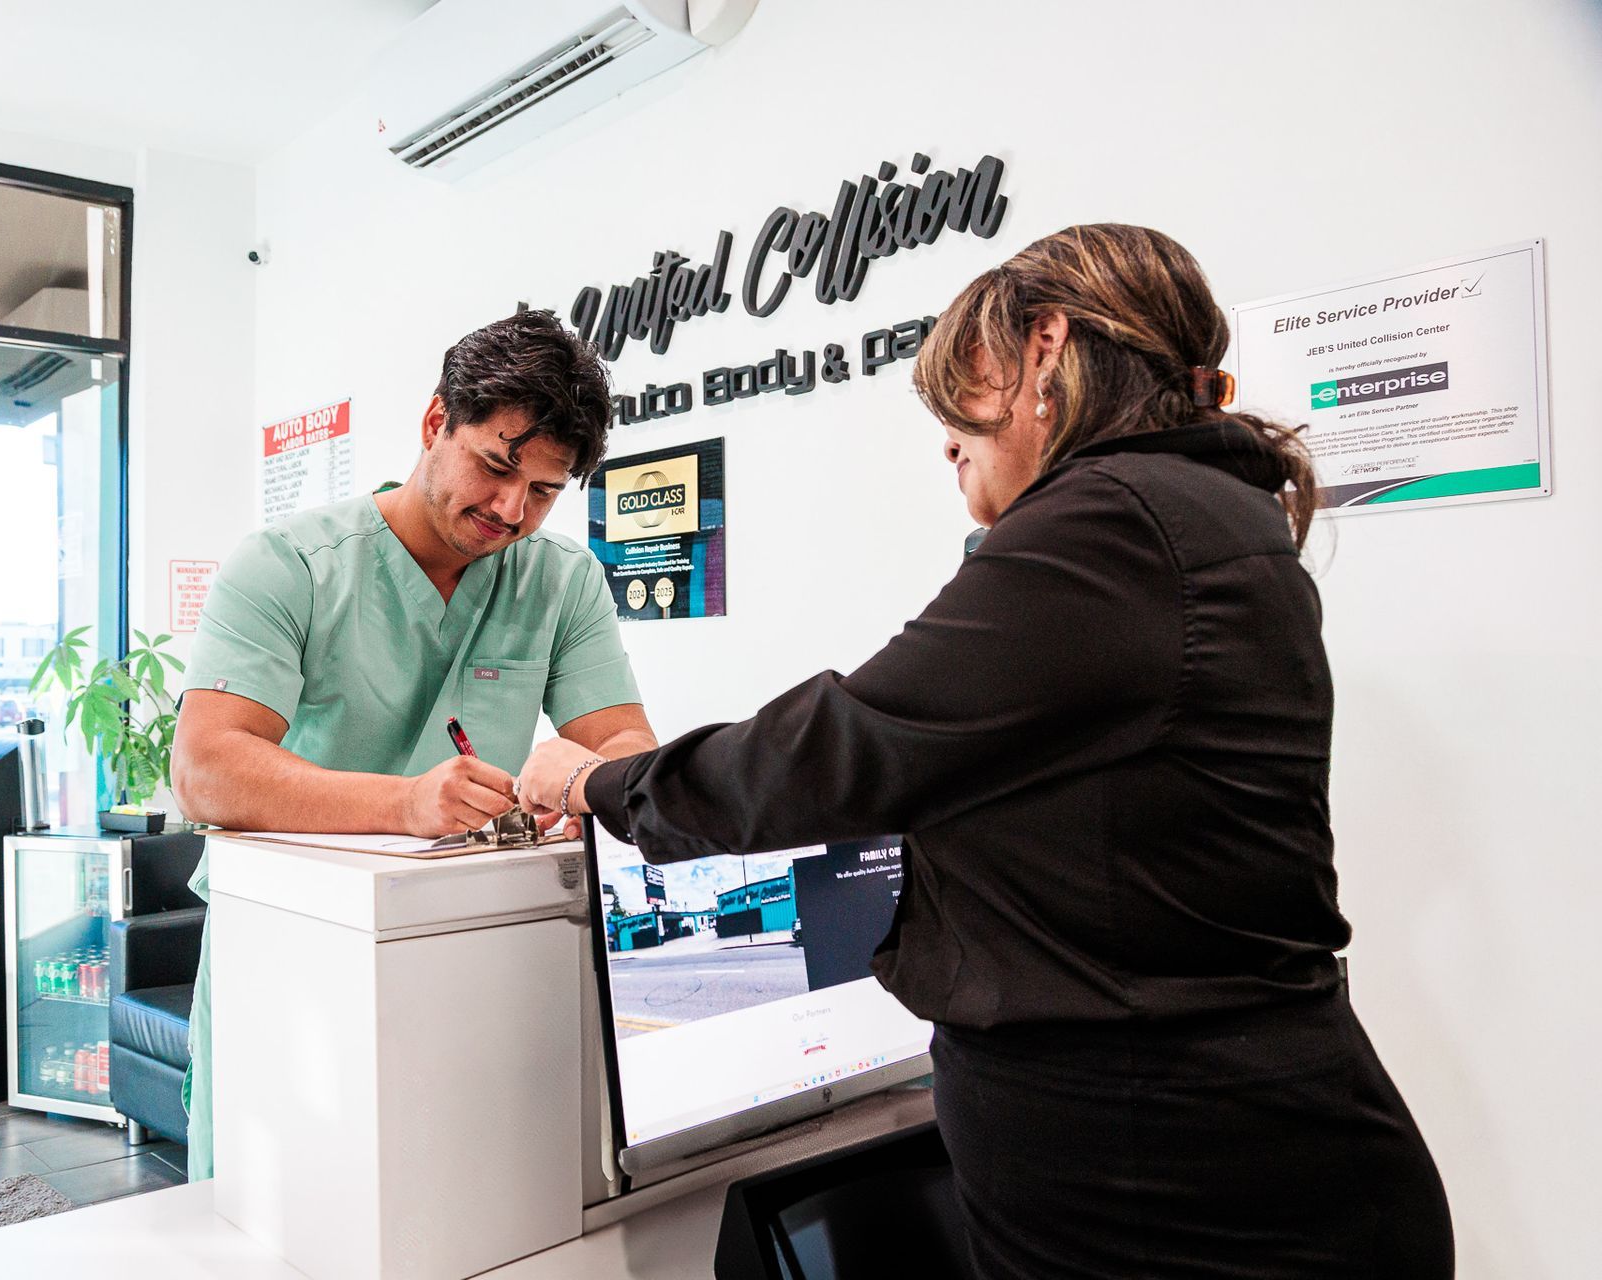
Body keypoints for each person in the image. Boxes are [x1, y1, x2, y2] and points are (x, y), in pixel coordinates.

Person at [519, 226, 1453, 1277]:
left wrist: (598, 782)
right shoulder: (1207, 517)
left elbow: (842, 746)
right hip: (1225, 1155)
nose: (949, 440)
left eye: (963, 393)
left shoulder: (1114, 525)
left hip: (1183, 1193)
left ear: (1046, 346)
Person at [171, 310, 659, 1181]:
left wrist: (588, 778)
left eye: (544, 491)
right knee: (285, 1210)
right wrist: (403, 805)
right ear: (437, 422)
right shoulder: (289, 565)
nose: (513, 509)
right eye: (498, 465)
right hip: (294, 945)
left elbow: (623, 738)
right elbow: (208, 768)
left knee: (455, 1198)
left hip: (469, 942)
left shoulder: (562, 580)